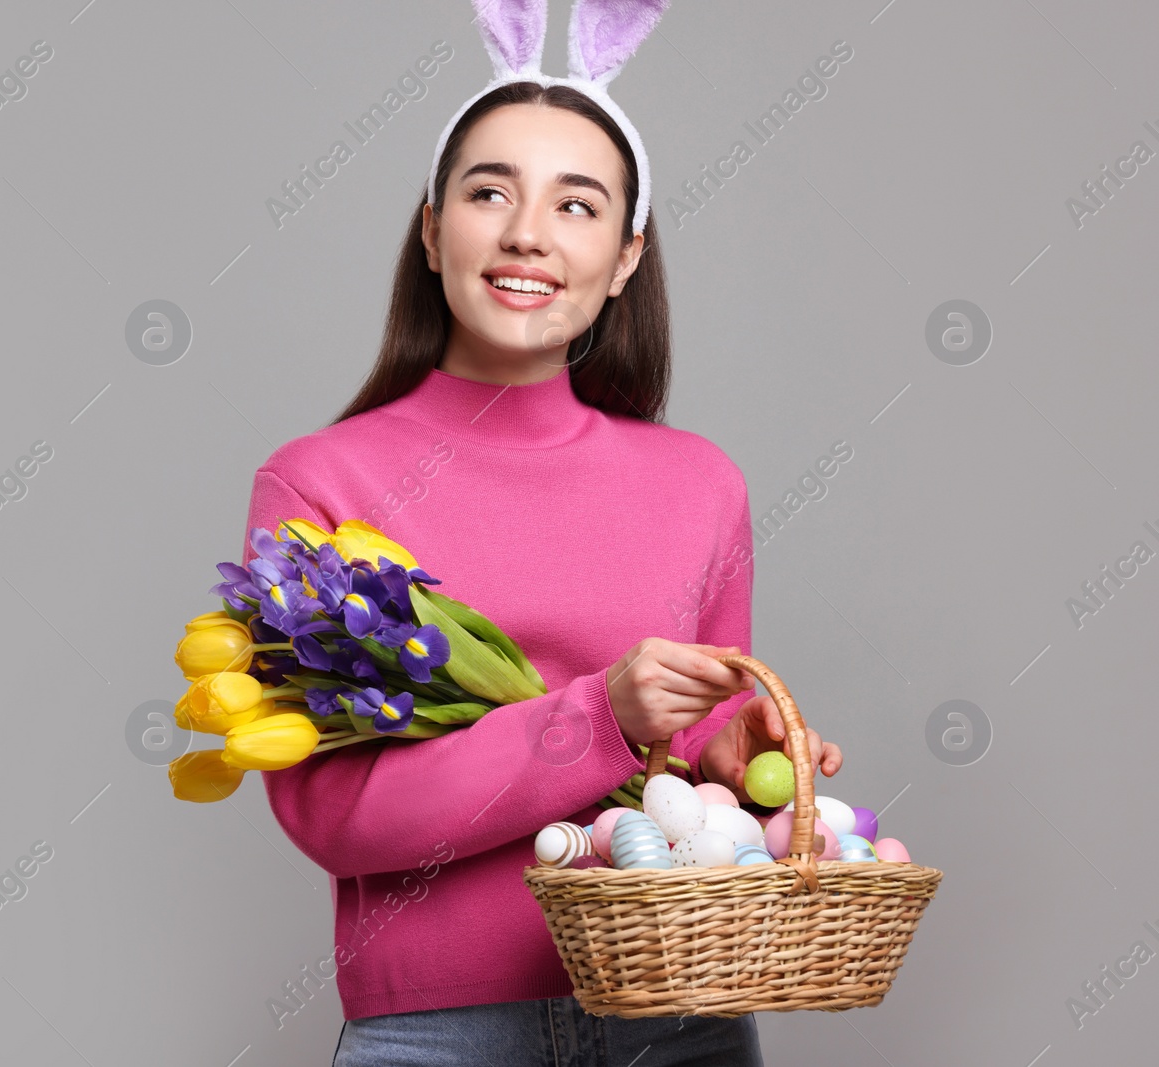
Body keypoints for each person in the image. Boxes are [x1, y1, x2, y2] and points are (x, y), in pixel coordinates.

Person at [237, 15, 843, 1067]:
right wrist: (595, 715)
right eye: (488, 192)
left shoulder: (700, 484)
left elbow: (686, 783)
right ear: (432, 233)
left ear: (624, 256)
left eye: (578, 203)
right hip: (437, 1029)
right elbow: (335, 811)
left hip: (679, 1015)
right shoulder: (319, 484)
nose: (528, 233)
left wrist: (744, 769)